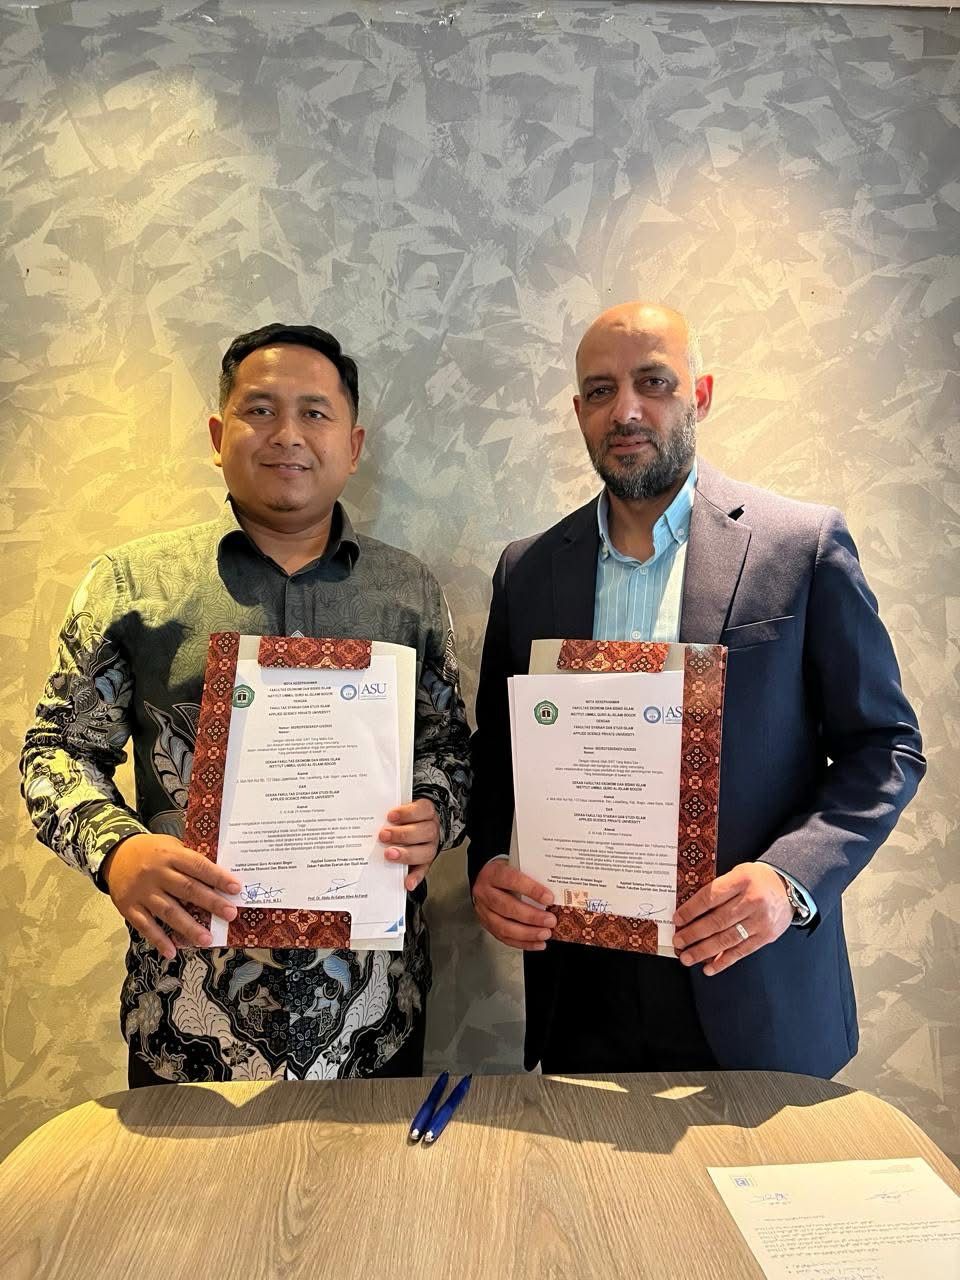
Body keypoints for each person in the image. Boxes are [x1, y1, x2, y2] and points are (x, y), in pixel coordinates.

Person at [468, 301, 924, 1078]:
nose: (626, 410)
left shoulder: (800, 546)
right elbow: (498, 756)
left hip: (754, 987)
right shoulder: (528, 569)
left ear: (700, 396)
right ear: (578, 412)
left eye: (654, 382)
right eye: (601, 390)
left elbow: (885, 748)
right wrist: (486, 866)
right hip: (583, 997)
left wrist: (789, 880)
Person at [22, 323, 471, 1085]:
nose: (287, 433)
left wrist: (436, 811)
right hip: (187, 1012)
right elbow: (57, 751)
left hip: (372, 1015)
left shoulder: (408, 592)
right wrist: (116, 851)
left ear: (353, 446)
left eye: (315, 413)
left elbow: (449, 750)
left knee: (371, 1170)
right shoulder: (132, 585)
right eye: (259, 410)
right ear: (216, 435)